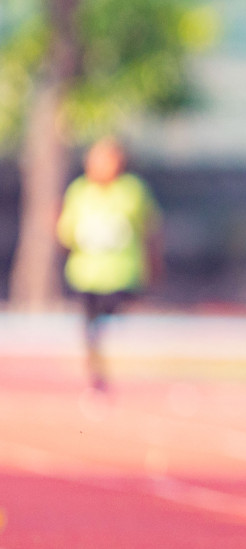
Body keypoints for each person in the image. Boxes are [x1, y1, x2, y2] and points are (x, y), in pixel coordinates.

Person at [55, 137, 161, 392]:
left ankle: (119, 373)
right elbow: (66, 232)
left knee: (111, 327)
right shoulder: (79, 191)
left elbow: (150, 229)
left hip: (121, 275)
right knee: (91, 331)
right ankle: (98, 378)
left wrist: (154, 264)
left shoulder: (132, 191)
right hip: (86, 275)